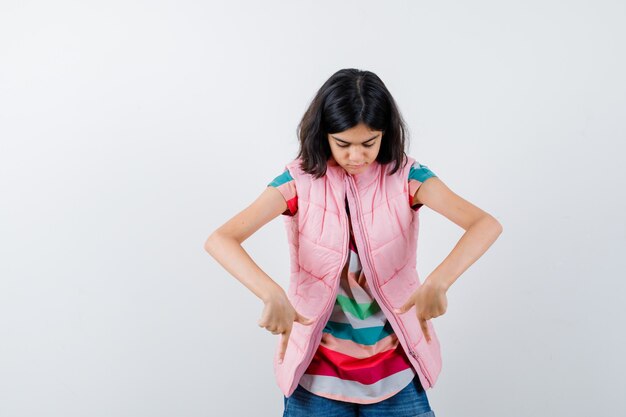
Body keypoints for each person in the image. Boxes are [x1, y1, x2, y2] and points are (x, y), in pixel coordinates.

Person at [204, 68, 503, 417]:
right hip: (316, 375)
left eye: (369, 143)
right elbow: (221, 239)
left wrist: (440, 281)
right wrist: (271, 294)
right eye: (343, 144)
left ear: (385, 134)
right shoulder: (299, 180)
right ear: (324, 135)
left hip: (395, 372)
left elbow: (484, 224)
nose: (357, 157)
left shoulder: (406, 176)